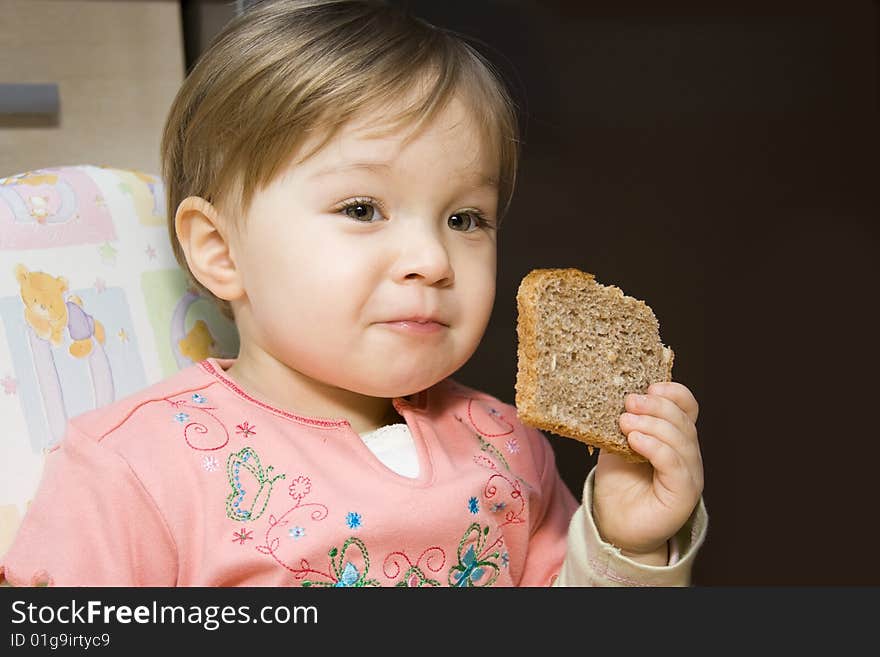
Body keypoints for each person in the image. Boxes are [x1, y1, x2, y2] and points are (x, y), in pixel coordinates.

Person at [1, 0, 706, 587]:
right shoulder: (134, 468)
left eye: (465, 219)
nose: (432, 259)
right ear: (220, 252)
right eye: (363, 208)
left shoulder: (511, 446)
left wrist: (624, 542)